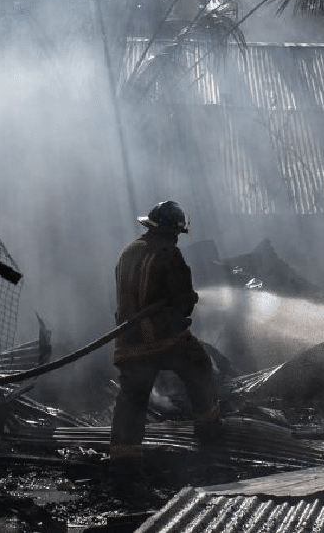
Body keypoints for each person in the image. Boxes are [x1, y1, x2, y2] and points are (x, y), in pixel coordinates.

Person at [109, 200, 222, 478]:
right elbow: (182, 302)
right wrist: (189, 300)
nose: (176, 239)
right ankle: (209, 434)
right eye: (176, 234)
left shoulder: (128, 251)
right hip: (165, 339)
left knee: (132, 399)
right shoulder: (169, 255)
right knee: (200, 367)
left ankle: (124, 463)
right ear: (171, 231)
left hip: (128, 339)